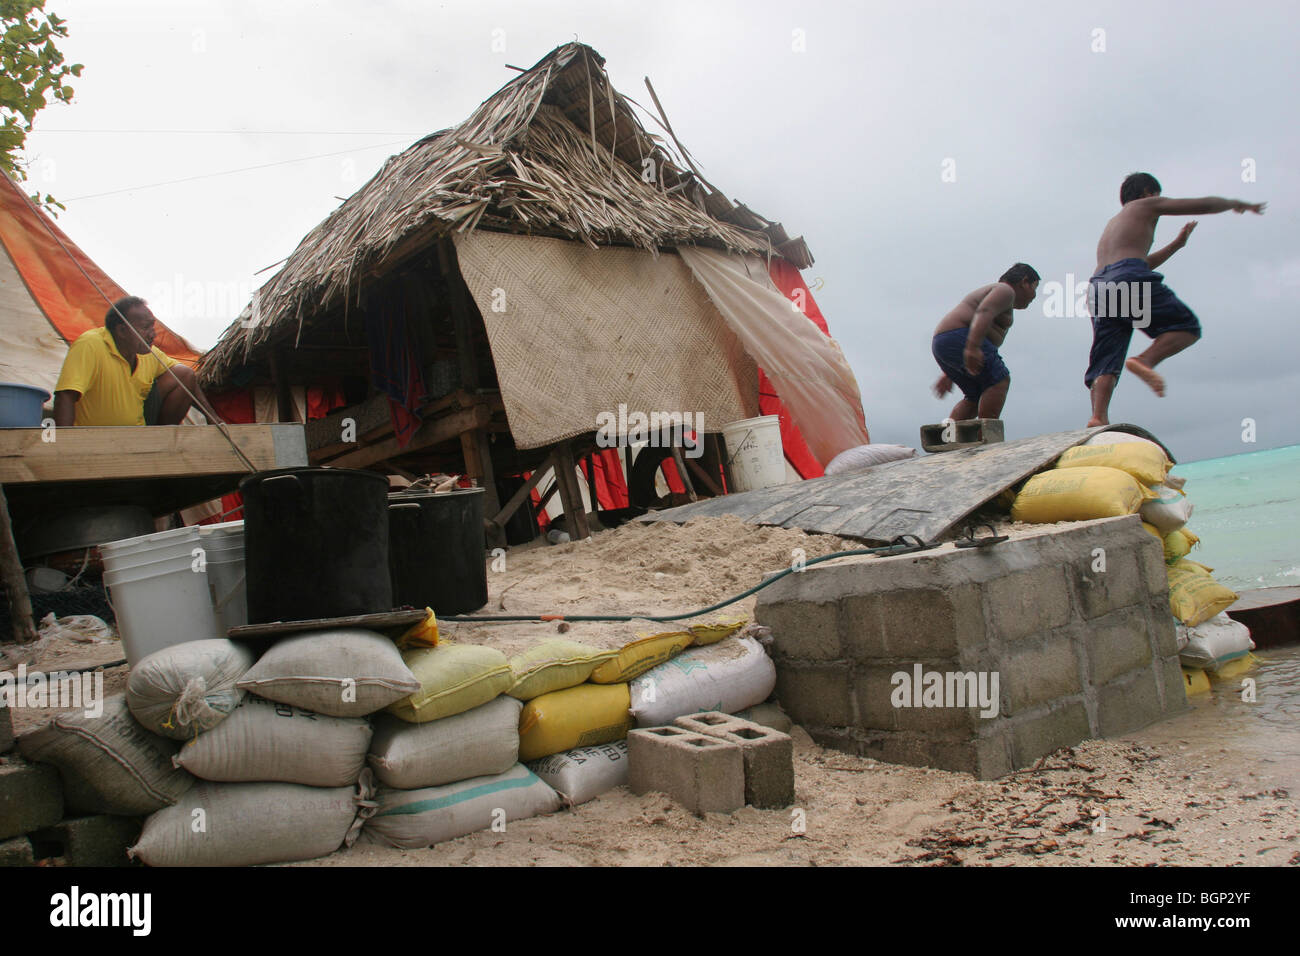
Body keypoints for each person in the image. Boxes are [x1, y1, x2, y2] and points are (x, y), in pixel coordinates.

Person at [1085, 172, 1265, 426]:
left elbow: (1139, 262)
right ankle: (1145, 360)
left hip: (1098, 287)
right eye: (1157, 194)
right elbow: (1200, 204)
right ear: (1149, 192)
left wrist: (1176, 245)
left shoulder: (1114, 224)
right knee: (1186, 328)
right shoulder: (1145, 205)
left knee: (1107, 356)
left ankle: (1097, 416)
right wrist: (1237, 203)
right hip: (1127, 276)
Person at [52, 296, 219, 427]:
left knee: (184, 373)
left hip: (138, 434)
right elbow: (65, 395)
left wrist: (212, 417)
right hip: (96, 440)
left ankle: (161, 440)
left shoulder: (148, 353)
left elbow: (187, 379)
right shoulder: (90, 344)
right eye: (146, 327)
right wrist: (66, 445)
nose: (153, 334)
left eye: (153, 327)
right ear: (122, 331)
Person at [931, 263, 1039, 420]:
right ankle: (988, 435)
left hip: (945, 341)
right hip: (961, 336)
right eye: (1034, 287)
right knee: (999, 380)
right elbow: (984, 312)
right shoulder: (1005, 290)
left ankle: (949, 438)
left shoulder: (1001, 297)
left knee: (974, 397)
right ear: (1024, 282)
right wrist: (972, 348)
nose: (1034, 295)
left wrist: (949, 372)